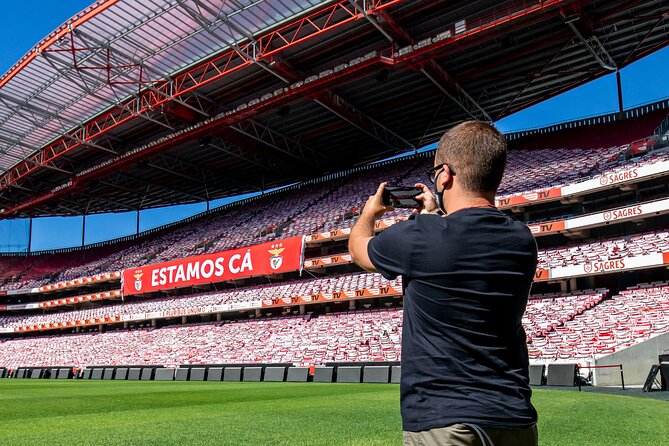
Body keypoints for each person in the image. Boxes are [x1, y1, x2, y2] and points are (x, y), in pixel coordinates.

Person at [348, 121, 539, 446]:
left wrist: (370, 212)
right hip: (514, 418)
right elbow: (457, 244)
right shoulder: (522, 239)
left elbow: (359, 249)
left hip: (445, 419)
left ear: (445, 174)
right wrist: (433, 216)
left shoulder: (418, 237)